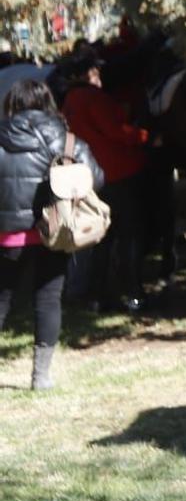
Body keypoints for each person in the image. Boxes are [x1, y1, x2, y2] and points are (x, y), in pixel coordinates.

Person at [0, 79, 103, 389]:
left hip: (5, 236)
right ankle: (40, 377)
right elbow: (97, 178)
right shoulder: (64, 140)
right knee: (47, 301)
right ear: (48, 103)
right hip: (52, 233)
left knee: (1, 301)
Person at [59, 48, 156, 311]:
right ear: (84, 74)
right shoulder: (93, 98)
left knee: (102, 237)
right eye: (94, 71)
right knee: (130, 234)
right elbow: (116, 131)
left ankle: (97, 295)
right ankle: (133, 292)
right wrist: (145, 136)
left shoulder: (69, 101)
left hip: (92, 176)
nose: (99, 75)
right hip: (118, 170)